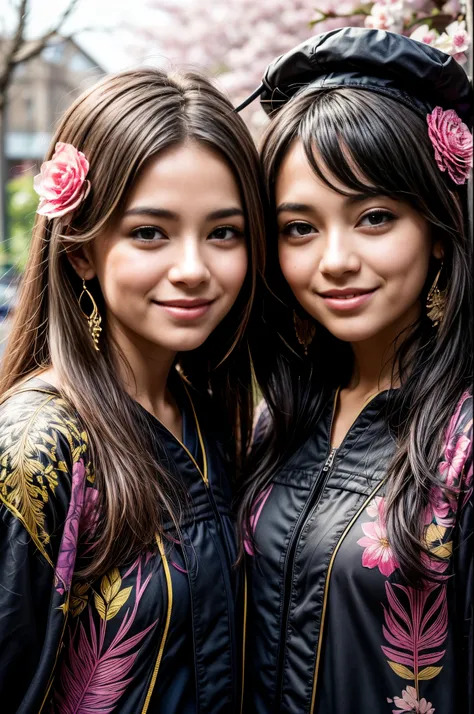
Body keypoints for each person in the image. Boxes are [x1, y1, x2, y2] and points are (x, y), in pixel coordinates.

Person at [0, 67, 265, 714]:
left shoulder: (202, 414)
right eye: (150, 232)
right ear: (83, 250)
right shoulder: (38, 445)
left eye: (223, 232)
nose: (194, 269)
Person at [238, 28, 473, 714]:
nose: (334, 260)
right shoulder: (279, 420)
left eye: (372, 217)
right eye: (299, 228)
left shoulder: (463, 442)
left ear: (436, 226)